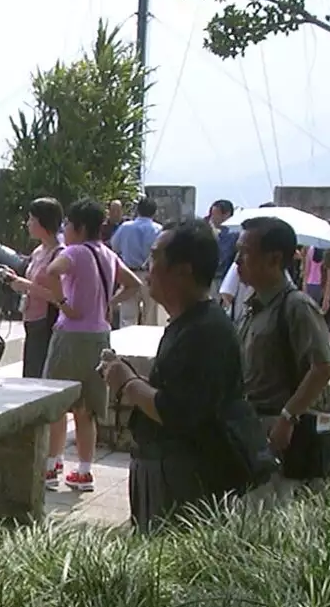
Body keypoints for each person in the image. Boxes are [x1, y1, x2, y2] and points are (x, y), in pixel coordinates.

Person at [98, 223, 261, 531]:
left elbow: (175, 411)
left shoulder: (205, 332)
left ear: (183, 271)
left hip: (184, 480)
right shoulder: (188, 324)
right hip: (165, 473)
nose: (148, 267)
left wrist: (127, 382)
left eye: (155, 257)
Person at [38, 199, 146, 492]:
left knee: (58, 403)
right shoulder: (108, 255)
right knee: (87, 409)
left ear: (79, 227)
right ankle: (84, 471)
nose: (65, 232)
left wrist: (64, 303)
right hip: (100, 336)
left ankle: (51, 466)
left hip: (71, 336)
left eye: (68, 226)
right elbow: (134, 283)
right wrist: (109, 302)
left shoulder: (74, 252)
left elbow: (52, 271)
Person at [236, 215, 330, 498]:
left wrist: (287, 417)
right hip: (253, 428)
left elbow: (323, 367)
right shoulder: (253, 307)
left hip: (283, 435)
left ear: (273, 259)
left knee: (276, 511)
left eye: (245, 253)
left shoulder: (297, 307)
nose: (237, 261)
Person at [0, 196, 65, 378]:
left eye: (32, 219)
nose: (27, 224)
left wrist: (27, 285)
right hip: (31, 320)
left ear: (44, 222)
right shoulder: (38, 251)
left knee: (41, 374)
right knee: (31, 372)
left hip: (47, 321)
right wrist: (14, 280)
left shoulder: (60, 254)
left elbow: (60, 298)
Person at [109, 196, 162, 326]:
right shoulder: (158, 229)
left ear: (138, 210)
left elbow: (114, 246)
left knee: (127, 316)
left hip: (129, 274)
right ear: (154, 212)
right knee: (150, 317)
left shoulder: (125, 227)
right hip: (150, 275)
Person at [206, 199, 239, 297]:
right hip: (211, 277)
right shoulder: (208, 231)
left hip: (227, 277)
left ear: (226, 215)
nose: (212, 218)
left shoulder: (234, 233)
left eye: (215, 214)